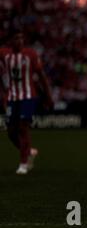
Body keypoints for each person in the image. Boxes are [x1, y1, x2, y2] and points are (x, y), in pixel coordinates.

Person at [0, 31, 54, 175]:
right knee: (11, 132)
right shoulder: (4, 53)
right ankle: (29, 151)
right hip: (12, 98)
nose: (20, 41)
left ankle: (23, 163)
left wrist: (49, 96)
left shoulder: (31, 54)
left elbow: (42, 77)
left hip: (29, 97)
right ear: (10, 41)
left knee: (23, 128)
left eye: (21, 38)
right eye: (16, 38)